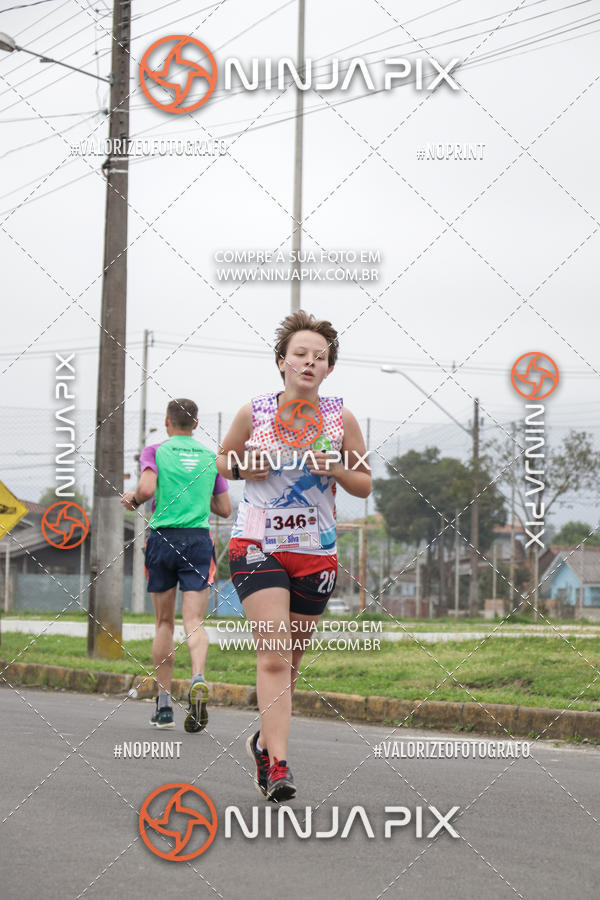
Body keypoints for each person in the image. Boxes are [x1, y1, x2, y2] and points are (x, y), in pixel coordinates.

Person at [217, 311, 371, 801]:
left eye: (319, 357)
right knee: (274, 657)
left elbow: (364, 485)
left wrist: (337, 468)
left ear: (329, 369)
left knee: (291, 660)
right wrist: (245, 467)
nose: (309, 362)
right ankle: (279, 766)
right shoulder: (255, 412)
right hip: (256, 545)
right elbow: (221, 459)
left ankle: (264, 741)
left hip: (314, 552)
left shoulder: (340, 418)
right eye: (300, 354)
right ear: (281, 361)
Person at [122, 398, 231, 731]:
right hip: (198, 541)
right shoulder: (212, 458)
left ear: (167, 423)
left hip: (162, 539)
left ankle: (164, 705)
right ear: (195, 425)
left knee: (164, 623)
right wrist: (198, 494)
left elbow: (146, 487)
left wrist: (134, 499)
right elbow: (225, 509)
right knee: (194, 620)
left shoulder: (156, 451)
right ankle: (198, 676)